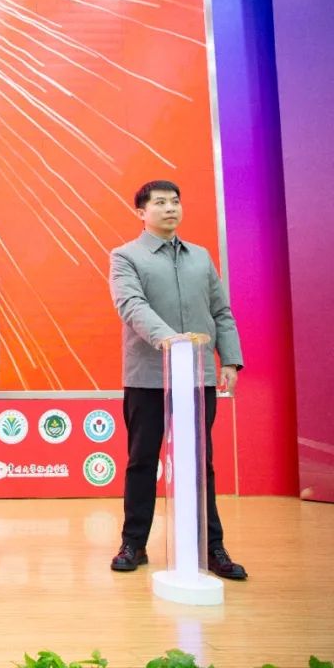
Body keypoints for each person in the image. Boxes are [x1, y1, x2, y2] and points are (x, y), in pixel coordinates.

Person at [109, 180, 247, 579]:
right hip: (148, 378)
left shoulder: (200, 257)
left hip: (198, 378)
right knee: (142, 461)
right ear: (141, 212)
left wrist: (229, 360)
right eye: (160, 203)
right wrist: (170, 341)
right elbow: (131, 305)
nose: (170, 208)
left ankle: (211, 546)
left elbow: (221, 312)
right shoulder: (126, 256)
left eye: (175, 202)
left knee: (200, 462)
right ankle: (134, 543)